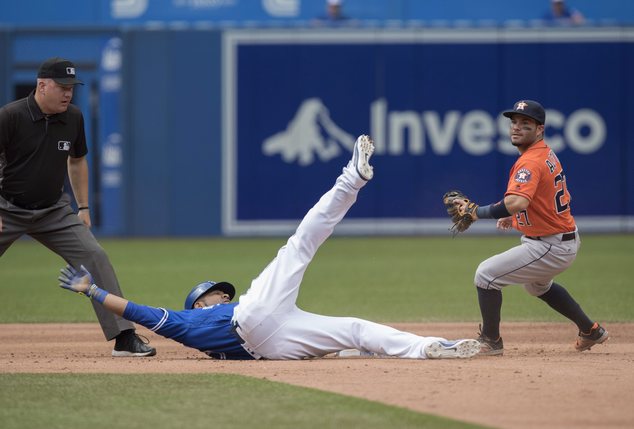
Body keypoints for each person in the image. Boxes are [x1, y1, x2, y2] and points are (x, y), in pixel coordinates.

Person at [58, 135, 480, 361]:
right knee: (300, 244)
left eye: (220, 291)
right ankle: (352, 178)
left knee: (352, 330)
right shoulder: (189, 322)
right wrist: (93, 291)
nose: (220, 292)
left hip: (270, 346)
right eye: (213, 292)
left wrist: (339, 348)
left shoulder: (204, 334)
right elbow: (142, 313)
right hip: (255, 321)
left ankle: (429, 348)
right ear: (201, 302)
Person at [0, 57, 155, 357]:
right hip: (8, 206)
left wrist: (83, 207)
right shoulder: (10, 116)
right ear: (42, 85)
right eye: (62, 86)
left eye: (72, 87)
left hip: (53, 211)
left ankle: (124, 337)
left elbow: (77, 159)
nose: (68, 93)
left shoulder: (72, 117)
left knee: (94, 255)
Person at [453, 100, 608, 356]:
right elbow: (541, 202)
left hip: (550, 245)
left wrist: (476, 212)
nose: (516, 128)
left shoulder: (530, 162)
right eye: (514, 122)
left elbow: (518, 202)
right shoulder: (544, 153)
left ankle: (491, 341)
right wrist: (514, 220)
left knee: (486, 275)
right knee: (537, 286)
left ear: (540, 130)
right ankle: (590, 330)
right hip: (559, 238)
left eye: (525, 124)